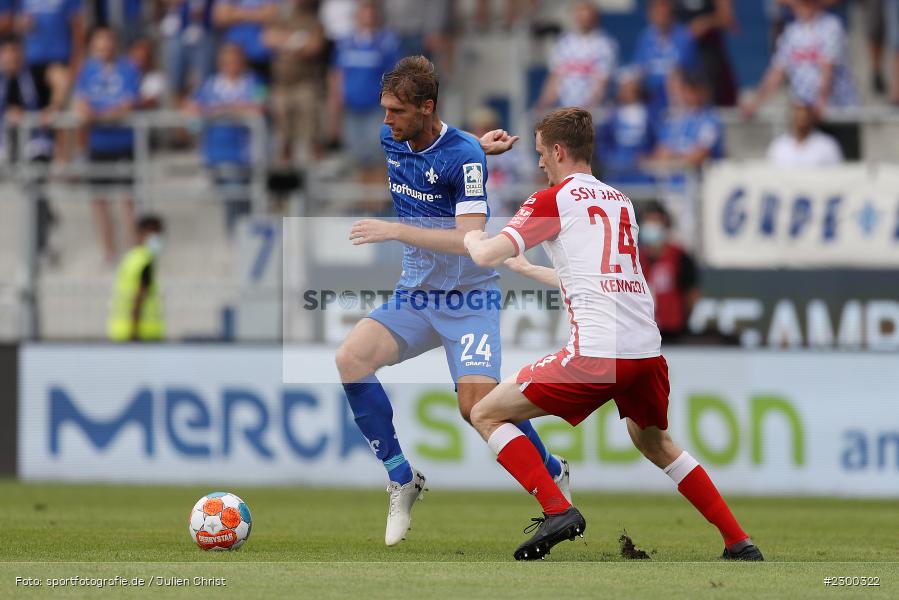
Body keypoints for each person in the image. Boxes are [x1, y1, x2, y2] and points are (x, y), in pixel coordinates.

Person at [462, 107, 763, 562]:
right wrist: (531, 270)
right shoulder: (620, 201)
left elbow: (485, 255)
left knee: (484, 412)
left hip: (598, 355)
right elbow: (600, 280)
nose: (539, 163)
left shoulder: (552, 200)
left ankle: (557, 509)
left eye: (541, 153)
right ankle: (739, 542)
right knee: (656, 444)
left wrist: (468, 232)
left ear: (558, 151)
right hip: (646, 353)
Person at [334, 56, 569, 548]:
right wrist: (477, 147)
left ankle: (551, 470)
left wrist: (397, 228)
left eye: (397, 111)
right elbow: (438, 151)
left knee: (478, 408)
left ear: (426, 106)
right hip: (416, 295)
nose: (386, 121)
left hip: (468, 298)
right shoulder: (397, 138)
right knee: (350, 359)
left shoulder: (463, 156)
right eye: (384, 109)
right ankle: (401, 476)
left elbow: (469, 239)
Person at [73, 27, 141, 263]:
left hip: (123, 143)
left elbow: (128, 104)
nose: (104, 47)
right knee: (99, 200)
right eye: (99, 42)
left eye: (107, 41)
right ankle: (109, 252)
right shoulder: (87, 69)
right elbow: (81, 104)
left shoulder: (128, 68)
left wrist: (99, 115)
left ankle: (132, 252)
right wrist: (96, 114)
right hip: (97, 144)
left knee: (127, 199)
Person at [327, 0, 400, 211]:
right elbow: (336, 76)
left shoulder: (386, 43)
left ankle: (377, 204)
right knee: (357, 157)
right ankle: (363, 203)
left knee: (376, 156)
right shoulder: (345, 43)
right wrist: (335, 105)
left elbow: (394, 77)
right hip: (351, 109)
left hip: (375, 109)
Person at [189, 43, 266, 235]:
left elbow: (259, 107)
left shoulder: (255, 82)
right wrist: (234, 109)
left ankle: (240, 239)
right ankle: (236, 238)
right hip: (216, 153)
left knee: (242, 201)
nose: (231, 66)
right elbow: (193, 108)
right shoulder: (210, 84)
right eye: (227, 62)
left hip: (244, 154)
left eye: (235, 61)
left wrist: (222, 109)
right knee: (231, 201)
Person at [742, 0, 858, 119]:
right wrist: (755, 103)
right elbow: (776, 72)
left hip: (837, 111)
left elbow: (827, 68)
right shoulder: (791, 32)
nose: (803, 7)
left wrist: (821, 100)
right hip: (805, 112)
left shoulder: (831, 25)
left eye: (807, 3)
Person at [263, 0, 327, 165]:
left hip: (306, 84)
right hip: (281, 84)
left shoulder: (313, 19)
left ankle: (315, 172)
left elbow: (314, 47)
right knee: (283, 137)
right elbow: (268, 38)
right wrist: (298, 40)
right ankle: (286, 173)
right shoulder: (281, 16)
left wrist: (284, 41)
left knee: (312, 133)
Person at [535, 1, 618, 113]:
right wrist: (543, 103)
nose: (584, 20)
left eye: (588, 16)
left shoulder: (605, 45)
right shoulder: (564, 43)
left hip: (594, 111)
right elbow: (555, 77)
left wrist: (588, 109)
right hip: (566, 109)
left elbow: (601, 83)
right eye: (581, 15)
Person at [638, 202, 699, 343]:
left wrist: (684, 322)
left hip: (673, 333)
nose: (651, 226)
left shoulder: (679, 256)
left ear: (665, 225)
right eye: (648, 221)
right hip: (642, 332)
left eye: (656, 221)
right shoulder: (634, 257)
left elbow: (691, 294)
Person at [633, 0, 700, 121]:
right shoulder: (645, 38)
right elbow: (639, 69)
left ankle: (679, 123)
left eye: (664, 9)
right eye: (657, 10)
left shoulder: (684, 37)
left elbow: (689, 71)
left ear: (671, 12)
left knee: (675, 79)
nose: (661, 13)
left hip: (676, 93)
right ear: (650, 14)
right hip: (650, 93)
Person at [14, 0, 84, 112]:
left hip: (58, 59)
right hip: (30, 62)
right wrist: (21, 24)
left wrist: (76, 62)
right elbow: (17, 21)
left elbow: (77, 27)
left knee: (57, 106)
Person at [108, 214, 166, 341]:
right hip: (142, 334)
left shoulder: (130, 258)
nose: (157, 238)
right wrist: (134, 332)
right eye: (153, 233)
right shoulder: (145, 262)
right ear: (140, 234)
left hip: (120, 331)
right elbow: (139, 296)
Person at [650, 71, 723, 169]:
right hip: (671, 174)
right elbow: (660, 151)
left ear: (704, 91)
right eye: (689, 90)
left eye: (696, 90)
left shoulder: (710, 120)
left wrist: (674, 157)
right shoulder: (675, 120)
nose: (692, 95)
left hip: (699, 175)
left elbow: (701, 154)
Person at [597, 67, 656, 184]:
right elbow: (603, 140)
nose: (626, 91)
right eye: (623, 87)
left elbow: (654, 139)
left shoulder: (648, 112)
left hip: (640, 169)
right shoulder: (612, 113)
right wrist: (609, 158)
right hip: (616, 168)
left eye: (630, 87)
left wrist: (648, 155)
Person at [674, 0, 738, 106]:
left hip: (709, 57)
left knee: (707, 101)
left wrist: (705, 23)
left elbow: (728, 19)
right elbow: (661, 11)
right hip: (681, 53)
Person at [213, 0, 279, 83]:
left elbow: (271, 15)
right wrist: (258, 13)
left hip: (260, 56)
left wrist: (234, 12)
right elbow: (221, 16)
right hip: (233, 55)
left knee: (260, 89)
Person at [766, 101, 843, 166]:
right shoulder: (778, 146)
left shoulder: (827, 145)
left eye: (805, 113)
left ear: (812, 116)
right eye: (798, 112)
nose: (802, 116)